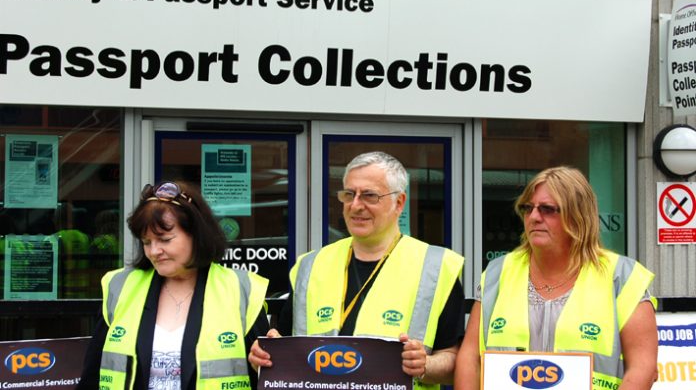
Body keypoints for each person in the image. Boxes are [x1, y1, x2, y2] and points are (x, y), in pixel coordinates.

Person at [249, 151, 465, 389]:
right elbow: (285, 346)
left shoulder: (436, 267)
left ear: (399, 203)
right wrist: (267, 354)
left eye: (369, 196)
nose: (355, 205)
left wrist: (425, 365)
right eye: (349, 194)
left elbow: (455, 359)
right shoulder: (311, 265)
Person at [454, 166, 657, 390]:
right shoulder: (498, 272)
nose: (534, 217)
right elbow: (469, 358)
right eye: (528, 208)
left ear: (578, 215)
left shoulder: (622, 277)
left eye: (547, 209)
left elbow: (642, 368)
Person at [77, 181, 269, 390]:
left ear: (196, 235)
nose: (154, 251)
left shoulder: (239, 289)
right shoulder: (120, 287)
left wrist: (269, 356)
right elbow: (92, 376)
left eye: (165, 239)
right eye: (146, 242)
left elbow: (268, 376)